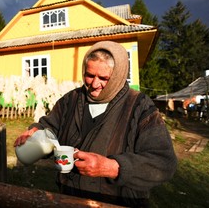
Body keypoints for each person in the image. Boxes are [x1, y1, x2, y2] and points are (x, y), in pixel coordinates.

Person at [14, 41, 177, 207]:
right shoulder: (70, 100)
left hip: (118, 203)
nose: (94, 84)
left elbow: (164, 163)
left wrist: (111, 167)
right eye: (89, 75)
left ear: (119, 75)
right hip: (70, 200)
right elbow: (50, 129)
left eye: (104, 78)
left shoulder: (140, 107)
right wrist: (35, 133)